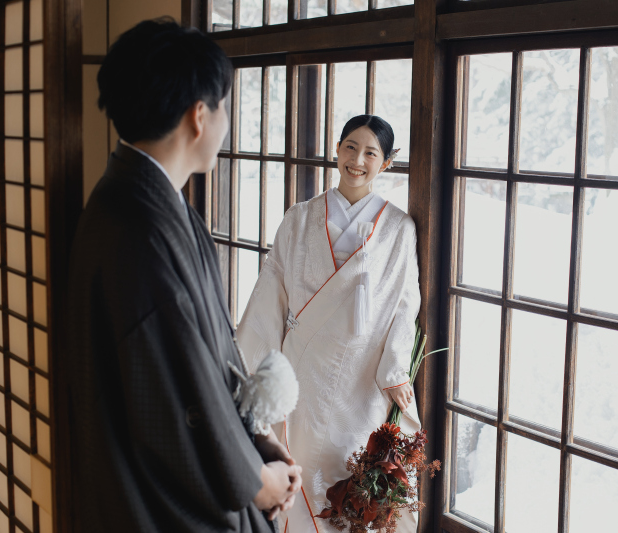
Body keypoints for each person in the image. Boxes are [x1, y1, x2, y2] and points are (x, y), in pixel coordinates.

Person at [65, 19, 301, 532]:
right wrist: (254, 480)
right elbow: (177, 401)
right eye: (224, 107)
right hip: (156, 503)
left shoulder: (137, 201)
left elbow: (202, 364)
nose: (225, 121)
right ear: (199, 116)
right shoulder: (140, 231)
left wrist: (257, 438)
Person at [237, 115, 422, 533]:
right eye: (350, 148)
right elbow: (271, 290)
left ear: (387, 162)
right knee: (296, 476)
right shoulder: (299, 218)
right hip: (302, 370)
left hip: (359, 382)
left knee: (348, 488)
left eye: (371, 153)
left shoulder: (397, 229)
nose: (358, 160)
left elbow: (404, 302)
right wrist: (251, 367)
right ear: (337, 149)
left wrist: (394, 367)